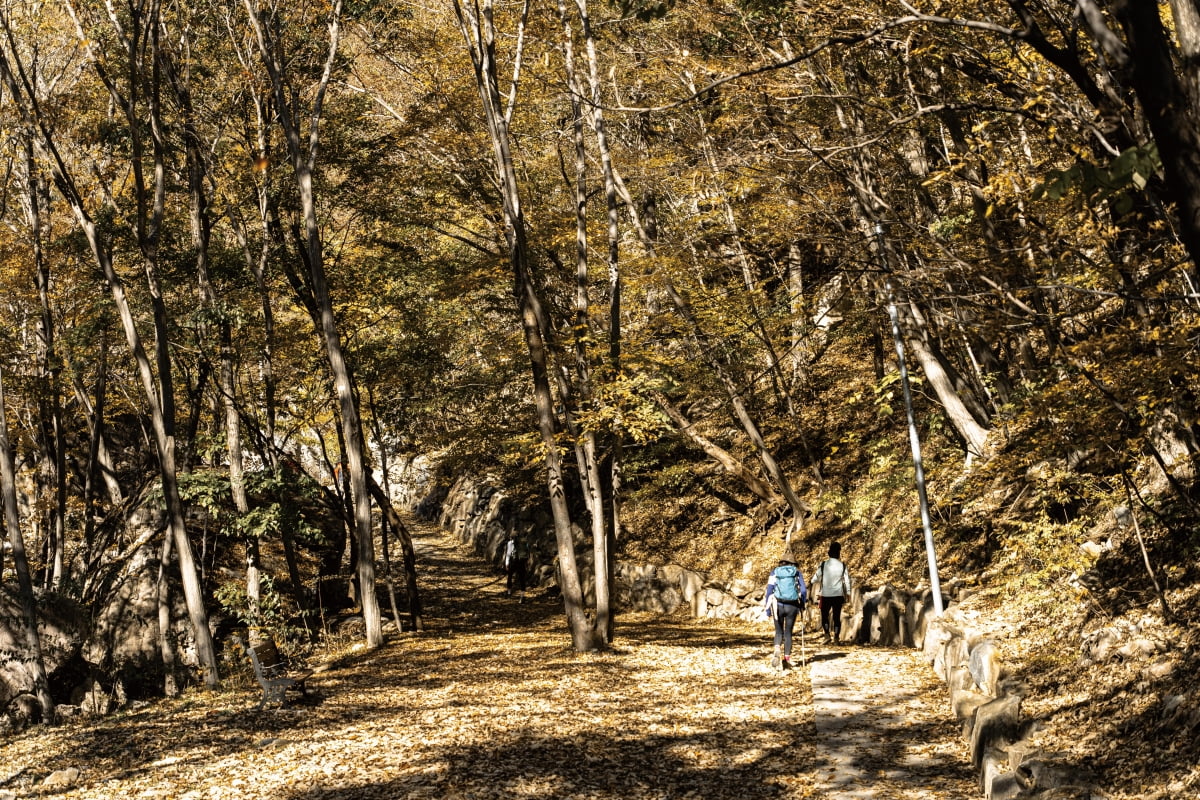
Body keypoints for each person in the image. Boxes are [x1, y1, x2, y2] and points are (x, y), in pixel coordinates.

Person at [764, 555, 807, 671]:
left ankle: (777, 648)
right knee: (788, 632)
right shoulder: (796, 573)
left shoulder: (774, 572)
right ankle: (786, 660)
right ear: (792, 563)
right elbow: (803, 590)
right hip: (792, 606)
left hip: (777, 605)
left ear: (781, 562)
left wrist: (768, 609)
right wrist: (802, 604)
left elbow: (769, 591)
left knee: (778, 632)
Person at [811, 541, 852, 644]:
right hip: (838, 595)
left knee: (824, 616)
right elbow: (847, 580)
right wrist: (848, 592)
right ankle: (836, 638)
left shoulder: (824, 564)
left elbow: (816, 577)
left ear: (829, 553)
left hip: (826, 594)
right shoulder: (842, 565)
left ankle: (827, 635)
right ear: (839, 553)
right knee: (837, 617)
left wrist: (811, 582)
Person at [503, 533, 528, 597]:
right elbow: (527, 551)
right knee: (522, 578)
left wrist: (507, 564)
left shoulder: (510, 543)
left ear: (511, 537)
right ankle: (522, 596)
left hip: (514, 562)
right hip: (521, 561)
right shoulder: (524, 542)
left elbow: (508, 554)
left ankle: (509, 592)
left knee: (510, 576)